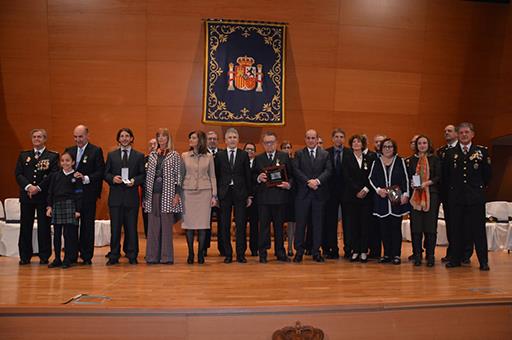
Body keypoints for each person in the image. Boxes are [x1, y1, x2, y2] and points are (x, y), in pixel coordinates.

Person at [444, 122, 491, 271]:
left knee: (478, 231)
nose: (464, 135)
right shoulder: (450, 153)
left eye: (467, 132)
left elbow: (487, 175)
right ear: (457, 135)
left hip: (475, 198)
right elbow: (446, 176)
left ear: (472, 135)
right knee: (456, 229)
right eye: (461, 133)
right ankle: (455, 259)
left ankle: (483, 261)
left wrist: (478, 190)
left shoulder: (481, 152)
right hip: (456, 199)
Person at [15, 129, 59, 265]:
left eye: (39, 137)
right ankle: (24, 256)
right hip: (27, 196)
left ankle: (44, 255)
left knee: (44, 227)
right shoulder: (24, 156)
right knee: (25, 226)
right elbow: (18, 174)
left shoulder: (52, 156)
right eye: (34, 137)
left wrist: (38, 188)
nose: (36, 139)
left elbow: (53, 175)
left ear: (45, 139)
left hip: (43, 196)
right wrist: (28, 187)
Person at [65, 125, 105, 265]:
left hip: (88, 194)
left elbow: (100, 172)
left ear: (87, 135)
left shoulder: (95, 151)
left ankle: (86, 256)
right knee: (71, 226)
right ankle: (71, 255)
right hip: (71, 196)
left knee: (87, 225)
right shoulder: (69, 151)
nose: (78, 140)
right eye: (75, 137)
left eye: (80, 137)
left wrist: (85, 178)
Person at [104, 128, 145, 265]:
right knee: (115, 229)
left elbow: (142, 175)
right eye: (122, 136)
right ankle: (114, 255)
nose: (124, 138)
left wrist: (135, 181)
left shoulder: (139, 156)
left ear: (132, 138)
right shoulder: (112, 155)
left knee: (131, 228)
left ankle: (132, 255)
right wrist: (112, 178)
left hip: (131, 197)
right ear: (118, 139)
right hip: (115, 198)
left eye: (127, 136)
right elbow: (105, 173)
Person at [143, 129, 182, 264]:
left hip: (168, 194)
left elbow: (178, 175)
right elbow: (147, 175)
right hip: (152, 194)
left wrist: (177, 194)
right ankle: (152, 256)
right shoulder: (152, 154)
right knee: (153, 226)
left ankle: (166, 257)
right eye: (158, 136)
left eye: (164, 136)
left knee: (166, 226)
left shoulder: (174, 155)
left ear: (168, 138)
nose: (161, 138)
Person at [292, 129, 332, 263]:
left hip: (319, 195)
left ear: (317, 139)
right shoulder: (299, 154)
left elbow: (328, 170)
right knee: (301, 225)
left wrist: (317, 181)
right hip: (303, 195)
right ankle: (299, 252)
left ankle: (316, 252)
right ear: (305, 139)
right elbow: (296, 170)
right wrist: (308, 182)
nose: (310, 140)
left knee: (317, 224)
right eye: (308, 138)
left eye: (313, 138)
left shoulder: (325, 154)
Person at [369, 138, 410, 265]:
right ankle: (387, 254)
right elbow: (371, 178)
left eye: (390, 146)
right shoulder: (376, 161)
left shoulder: (400, 161)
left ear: (394, 148)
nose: (387, 149)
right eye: (385, 146)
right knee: (384, 229)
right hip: (382, 200)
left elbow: (406, 178)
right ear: (381, 148)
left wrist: (406, 194)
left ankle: (396, 254)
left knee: (395, 228)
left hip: (397, 199)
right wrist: (378, 190)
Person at [253, 132, 293, 263]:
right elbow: (252, 177)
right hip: (264, 199)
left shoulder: (284, 156)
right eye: (266, 143)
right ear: (263, 144)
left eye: (271, 142)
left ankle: (280, 252)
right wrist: (258, 178)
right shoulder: (258, 158)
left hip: (280, 198)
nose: (269, 145)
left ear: (276, 143)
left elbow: (292, 175)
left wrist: (289, 184)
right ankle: (263, 253)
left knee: (279, 227)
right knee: (263, 227)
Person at [214, 128, 253, 263]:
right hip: (224, 193)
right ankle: (228, 254)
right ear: (225, 140)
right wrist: (216, 195)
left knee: (241, 224)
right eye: (229, 137)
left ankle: (241, 254)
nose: (232, 139)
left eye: (234, 137)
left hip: (240, 193)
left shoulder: (243, 155)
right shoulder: (219, 156)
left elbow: (248, 176)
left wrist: (249, 195)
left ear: (238, 140)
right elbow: (217, 176)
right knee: (224, 224)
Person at [181, 130, 217, 264]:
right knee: (189, 225)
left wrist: (214, 195)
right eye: (190, 137)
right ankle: (190, 253)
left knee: (202, 225)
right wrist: (178, 193)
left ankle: (201, 253)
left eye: (194, 137)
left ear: (200, 140)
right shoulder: (184, 155)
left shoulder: (209, 156)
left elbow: (212, 176)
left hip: (204, 192)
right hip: (188, 192)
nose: (191, 139)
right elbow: (181, 175)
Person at [407, 135, 441, 267]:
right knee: (416, 227)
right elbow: (408, 177)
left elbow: (439, 176)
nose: (422, 145)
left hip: (431, 195)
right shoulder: (410, 160)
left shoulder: (435, 159)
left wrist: (427, 183)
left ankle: (430, 255)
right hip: (415, 197)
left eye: (424, 143)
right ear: (416, 146)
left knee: (430, 227)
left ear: (428, 144)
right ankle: (417, 255)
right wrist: (411, 183)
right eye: (419, 143)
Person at [46, 152, 83, 269]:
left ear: (73, 162)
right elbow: (50, 192)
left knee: (68, 235)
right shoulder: (55, 176)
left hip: (70, 206)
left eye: (67, 160)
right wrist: (49, 206)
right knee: (56, 235)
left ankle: (67, 258)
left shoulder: (76, 177)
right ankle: (57, 258)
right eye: (62, 161)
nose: (65, 163)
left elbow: (79, 194)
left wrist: (78, 210)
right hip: (57, 205)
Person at [342, 134, 375, 263]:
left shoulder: (369, 158)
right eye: (354, 142)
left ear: (363, 144)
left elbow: (371, 176)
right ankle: (355, 251)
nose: (356, 144)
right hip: (351, 197)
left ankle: (363, 251)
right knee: (353, 225)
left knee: (364, 224)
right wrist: (357, 190)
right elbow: (346, 177)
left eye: (359, 142)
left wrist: (366, 189)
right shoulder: (347, 158)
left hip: (366, 197)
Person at [324, 128, 349, 259]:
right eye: (336, 136)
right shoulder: (326, 153)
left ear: (344, 139)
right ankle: (332, 249)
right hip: (331, 193)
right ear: (332, 138)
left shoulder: (349, 153)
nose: (339, 139)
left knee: (348, 222)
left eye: (341, 136)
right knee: (330, 222)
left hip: (346, 193)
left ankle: (348, 249)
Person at [436, 124, 459, 263]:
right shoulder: (441, 151)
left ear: (456, 134)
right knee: (451, 224)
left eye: (449, 131)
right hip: (445, 194)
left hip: (459, 194)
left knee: (461, 224)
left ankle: (464, 253)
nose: (446, 133)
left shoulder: (461, 150)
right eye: (445, 131)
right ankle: (452, 253)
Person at [206, 130, 223, 256]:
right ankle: (204, 247)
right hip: (205, 193)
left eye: (214, 138)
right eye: (210, 138)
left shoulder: (223, 154)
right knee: (206, 222)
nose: (212, 140)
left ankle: (223, 248)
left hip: (222, 194)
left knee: (223, 222)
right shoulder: (202, 154)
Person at [281, 141, 296, 256]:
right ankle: (279, 247)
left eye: (289, 147)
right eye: (284, 147)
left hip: (291, 195)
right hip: (278, 195)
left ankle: (290, 247)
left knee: (291, 222)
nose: (287, 149)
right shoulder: (277, 161)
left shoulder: (294, 161)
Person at [244, 142, 259, 256]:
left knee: (254, 225)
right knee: (242, 225)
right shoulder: (239, 162)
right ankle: (242, 249)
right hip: (242, 199)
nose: (249, 151)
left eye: (252, 149)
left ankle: (254, 248)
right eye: (247, 149)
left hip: (256, 199)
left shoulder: (259, 163)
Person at [142, 138, 158, 238]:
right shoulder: (144, 159)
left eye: (154, 144)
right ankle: (148, 234)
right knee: (146, 213)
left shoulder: (163, 159)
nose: (152, 146)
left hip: (158, 190)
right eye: (150, 144)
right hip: (146, 190)